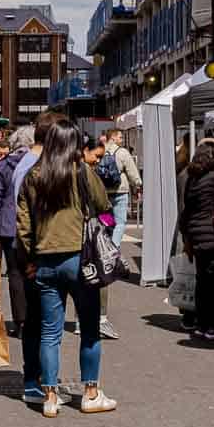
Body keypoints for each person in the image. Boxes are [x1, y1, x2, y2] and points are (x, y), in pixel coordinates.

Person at [17, 121, 115, 417]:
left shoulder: (34, 176)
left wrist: (30, 259)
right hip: (81, 259)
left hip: (45, 261)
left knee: (50, 332)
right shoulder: (82, 172)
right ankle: (90, 393)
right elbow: (103, 204)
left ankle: (49, 395)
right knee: (89, 328)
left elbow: (23, 225)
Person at [11, 116, 50, 403]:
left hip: (29, 249)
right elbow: (25, 216)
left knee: (38, 320)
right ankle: (36, 380)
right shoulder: (32, 167)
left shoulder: (26, 164)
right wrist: (31, 256)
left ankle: (36, 378)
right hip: (34, 252)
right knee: (40, 320)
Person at [180, 138, 214, 341]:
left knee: (203, 281)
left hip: (197, 234)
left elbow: (187, 209)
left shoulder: (193, 177)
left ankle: (202, 324)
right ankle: (212, 326)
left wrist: (187, 237)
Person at [83, 132, 121, 340]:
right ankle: (100, 320)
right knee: (99, 275)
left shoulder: (60, 170)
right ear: (84, 151)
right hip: (91, 233)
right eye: (96, 156)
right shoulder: (87, 173)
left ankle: (85, 320)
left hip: (75, 235)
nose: (98, 161)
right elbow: (103, 203)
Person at [0, 133, 25, 333]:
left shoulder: (3, 166)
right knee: (34, 272)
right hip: (35, 228)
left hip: (9, 226)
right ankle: (36, 319)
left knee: (15, 273)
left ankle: (21, 321)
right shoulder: (40, 164)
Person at [103, 127, 142, 256]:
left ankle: (106, 247)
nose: (121, 139)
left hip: (104, 193)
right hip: (120, 190)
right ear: (113, 138)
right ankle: (113, 250)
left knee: (107, 222)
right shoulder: (122, 152)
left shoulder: (101, 150)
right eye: (120, 137)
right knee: (120, 222)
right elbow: (132, 172)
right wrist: (138, 185)